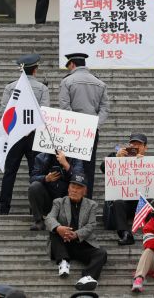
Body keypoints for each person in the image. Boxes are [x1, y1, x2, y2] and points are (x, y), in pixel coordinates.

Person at [0, 54, 50, 215]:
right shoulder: (42, 88)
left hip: (14, 135)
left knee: (9, 172)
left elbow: (5, 112)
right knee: (35, 173)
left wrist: (19, 126)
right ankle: (33, 209)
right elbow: (44, 112)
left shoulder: (10, 87)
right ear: (35, 70)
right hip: (34, 135)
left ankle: (4, 208)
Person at [44, 173, 107, 292]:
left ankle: (88, 277)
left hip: (80, 243)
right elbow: (49, 218)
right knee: (53, 230)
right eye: (72, 187)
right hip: (62, 243)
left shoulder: (92, 205)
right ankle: (63, 261)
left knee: (102, 253)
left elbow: (92, 225)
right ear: (68, 188)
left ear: (85, 191)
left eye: (78, 188)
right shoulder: (58, 202)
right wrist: (59, 228)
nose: (74, 190)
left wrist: (77, 234)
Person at [59, 53, 109, 199]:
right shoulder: (99, 83)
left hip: (71, 130)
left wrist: (77, 125)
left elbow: (64, 107)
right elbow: (105, 108)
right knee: (88, 167)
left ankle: (68, 200)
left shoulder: (67, 81)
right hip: (91, 131)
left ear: (72, 64)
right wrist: (94, 125)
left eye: (68, 66)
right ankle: (87, 200)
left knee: (68, 164)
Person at [99, 133, 149, 245]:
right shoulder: (118, 156)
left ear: (145, 147)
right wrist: (116, 159)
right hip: (124, 204)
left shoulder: (150, 162)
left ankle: (152, 233)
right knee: (118, 203)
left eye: (139, 144)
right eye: (133, 144)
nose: (135, 147)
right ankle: (125, 233)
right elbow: (103, 168)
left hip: (141, 204)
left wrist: (142, 163)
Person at [28, 150, 82, 231]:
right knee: (34, 186)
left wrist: (66, 165)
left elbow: (80, 179)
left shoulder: (75, 158)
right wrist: (45, 178)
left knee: (79, 188)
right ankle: (39, 221)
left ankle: (72, 219)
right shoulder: (41, 157)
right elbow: (32, 178)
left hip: (66, 200)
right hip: (48, 200)